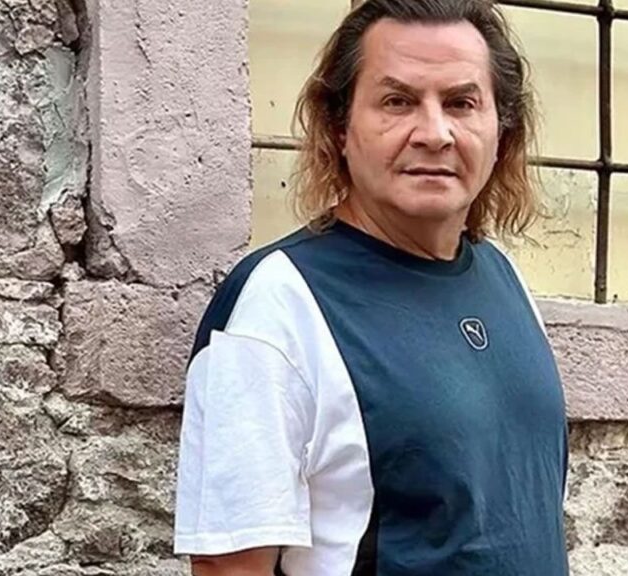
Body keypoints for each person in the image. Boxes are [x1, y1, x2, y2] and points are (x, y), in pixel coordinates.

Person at [173, 0, 569, 574]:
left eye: (461, 103)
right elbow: (229, 566)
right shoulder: (279, 301)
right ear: (339, 127)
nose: (434, 133)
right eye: (397, 102)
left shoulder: (502, 277)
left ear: (501, 130)